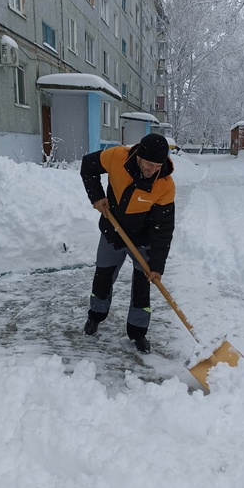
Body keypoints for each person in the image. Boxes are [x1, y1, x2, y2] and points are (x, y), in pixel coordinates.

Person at [80, 133, 175, 353]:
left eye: (157, 166)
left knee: (142, 288)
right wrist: (96, 196)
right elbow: (88, 166)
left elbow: (164, 230)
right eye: (148, 164)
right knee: (102, 278)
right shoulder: (116, 157)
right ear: (138, 157)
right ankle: (96, 316)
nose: (151, 170)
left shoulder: (165, 186)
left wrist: (157, 266)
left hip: (142, 241)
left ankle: (137, 331)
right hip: (112, 233)